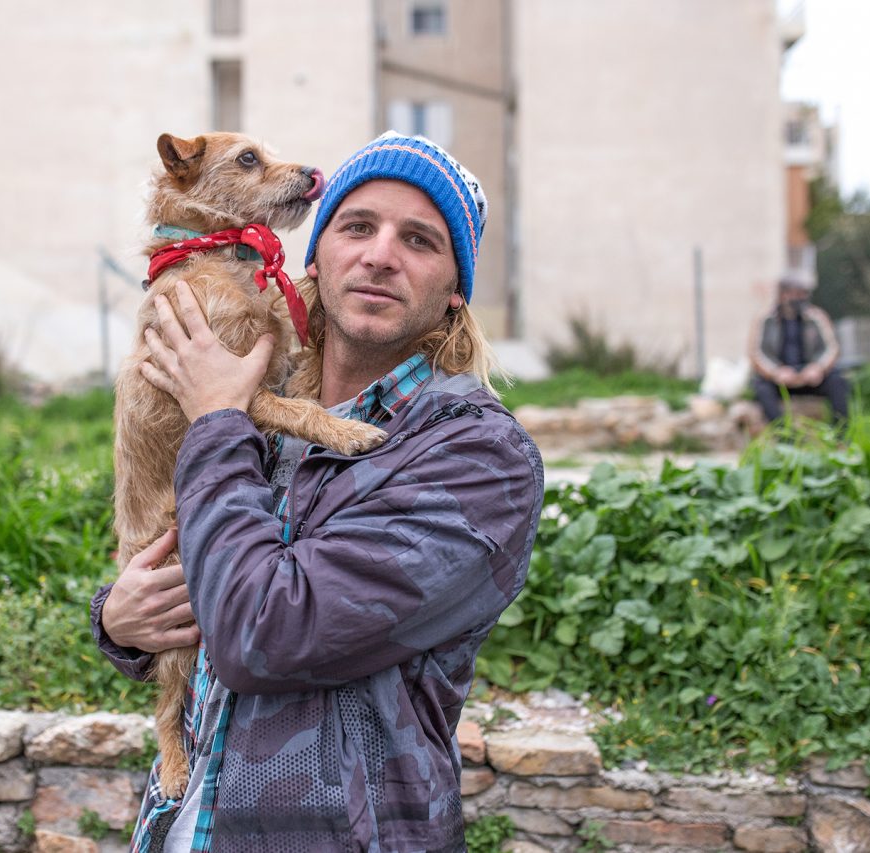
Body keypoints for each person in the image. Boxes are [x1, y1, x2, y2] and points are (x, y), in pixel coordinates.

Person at [90, 132, 544, 853]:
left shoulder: (478, 457)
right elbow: (203, 571)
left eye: (419, 240)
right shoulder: (260, 391)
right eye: (357, 227)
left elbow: (266, 633)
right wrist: (118, 620)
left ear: (456, 287)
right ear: (315, 254)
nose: (380, 255)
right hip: (184, 829)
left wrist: (217, 419)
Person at [748, 273, 850, 424]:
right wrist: (775, 372)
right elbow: (756, 353)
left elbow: (832, 348)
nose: (798, 298)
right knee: (762, 388)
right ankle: (782, 432)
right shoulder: (765, 319)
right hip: (779, 378)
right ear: (782, 295)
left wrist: (818, 368)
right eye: (794, 293)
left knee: (837, 382)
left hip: (811, 376)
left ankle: (840, 431)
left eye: (802, 294)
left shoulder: (816, 317)